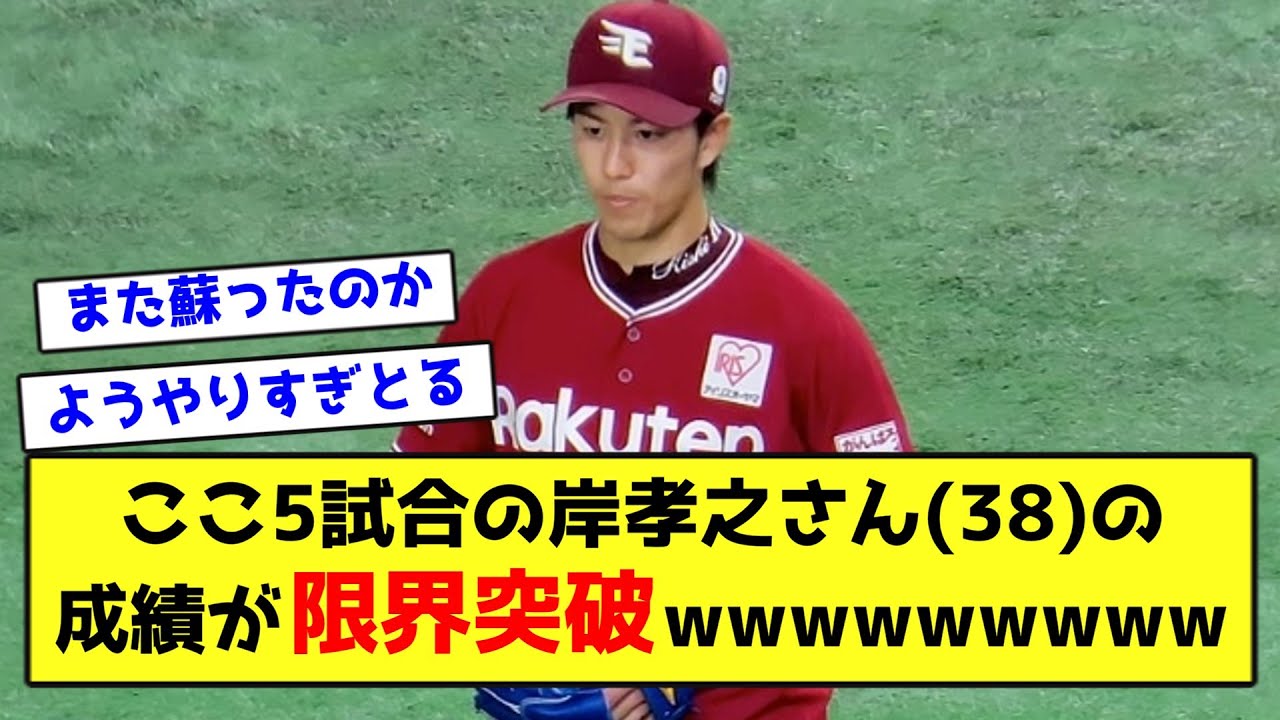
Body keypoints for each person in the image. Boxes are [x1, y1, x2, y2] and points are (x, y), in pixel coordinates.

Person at [392, 1, 914, 717]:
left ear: (710, 139)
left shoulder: (804, 325)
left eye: (648, 134)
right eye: (592, 129)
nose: (614, 165)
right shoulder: (503, 298)